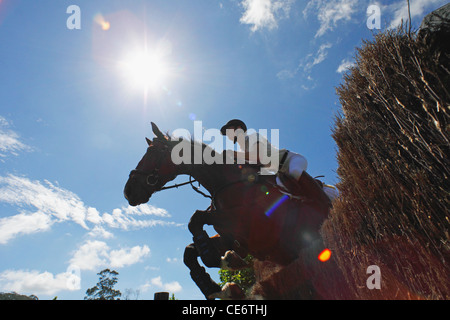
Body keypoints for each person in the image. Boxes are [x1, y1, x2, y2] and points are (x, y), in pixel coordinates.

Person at [220, 119, 339, 203]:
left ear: (239, 128)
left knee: (295, 172)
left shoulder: (253, 137)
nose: (227, 134)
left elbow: (258, 157)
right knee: (281, 191)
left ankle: (326, 201)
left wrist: (233, 154)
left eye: (229, 130)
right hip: (281, 173)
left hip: (291, 160)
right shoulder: (241, 150)